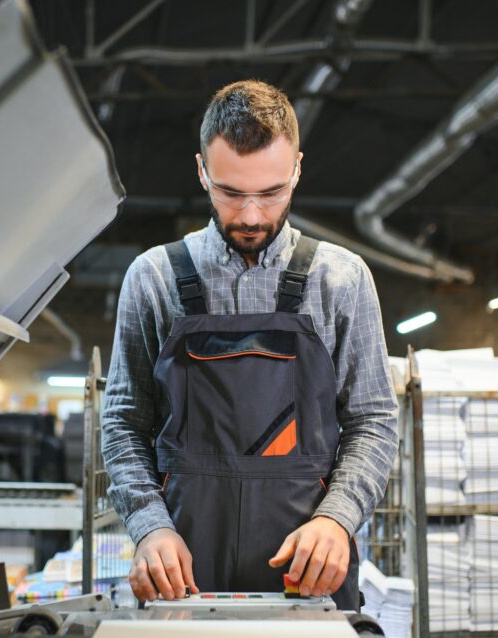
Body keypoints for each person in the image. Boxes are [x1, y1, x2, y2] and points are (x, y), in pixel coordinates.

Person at [101, 80, 398, 611]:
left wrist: (338, 518)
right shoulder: (153, 278)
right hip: (183, 568)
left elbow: (373, 421)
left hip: (307, 569)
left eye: (273, 191)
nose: (253, 215)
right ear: (201, 171)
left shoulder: (341, 280)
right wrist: (148, 527)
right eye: (231, 192)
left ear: (298, 169)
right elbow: (124, 421)